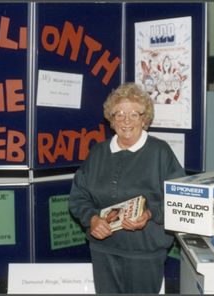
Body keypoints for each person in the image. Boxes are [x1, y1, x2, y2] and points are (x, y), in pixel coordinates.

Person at [69, 82, 185, 294]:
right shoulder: (98, 153)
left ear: (145, 118)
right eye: (119, 114)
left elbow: (180, 200)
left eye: (134, 114)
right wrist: (92, 219)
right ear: (111, 120)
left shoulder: (160, 152)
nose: (126, 121)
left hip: (145, 252)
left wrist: (150, 214)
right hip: (103, 251)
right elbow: (78, 197)